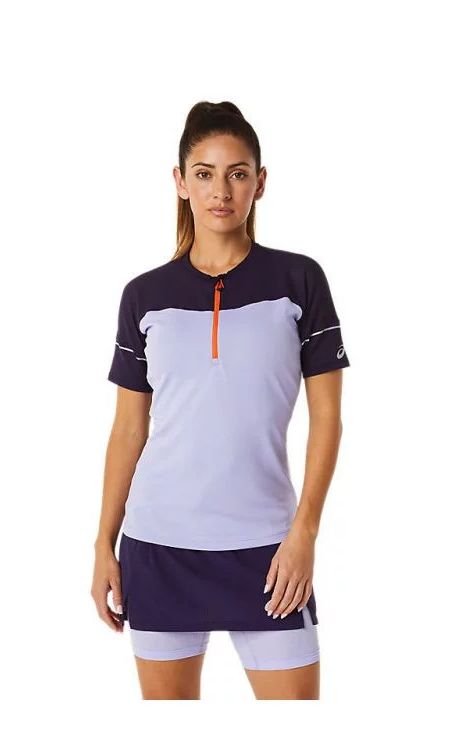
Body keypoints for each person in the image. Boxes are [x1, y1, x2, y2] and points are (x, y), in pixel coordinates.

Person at [91, 101, 350, 700]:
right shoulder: (144, 296)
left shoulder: (299, 281)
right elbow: (128, 430)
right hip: (159, 548)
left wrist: (305, 533)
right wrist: (104, 543)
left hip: (269, 550)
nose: (221, 190)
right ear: (180, 182)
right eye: (204, 173)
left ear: (260, 182)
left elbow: (328, 419)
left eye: (237, 173)